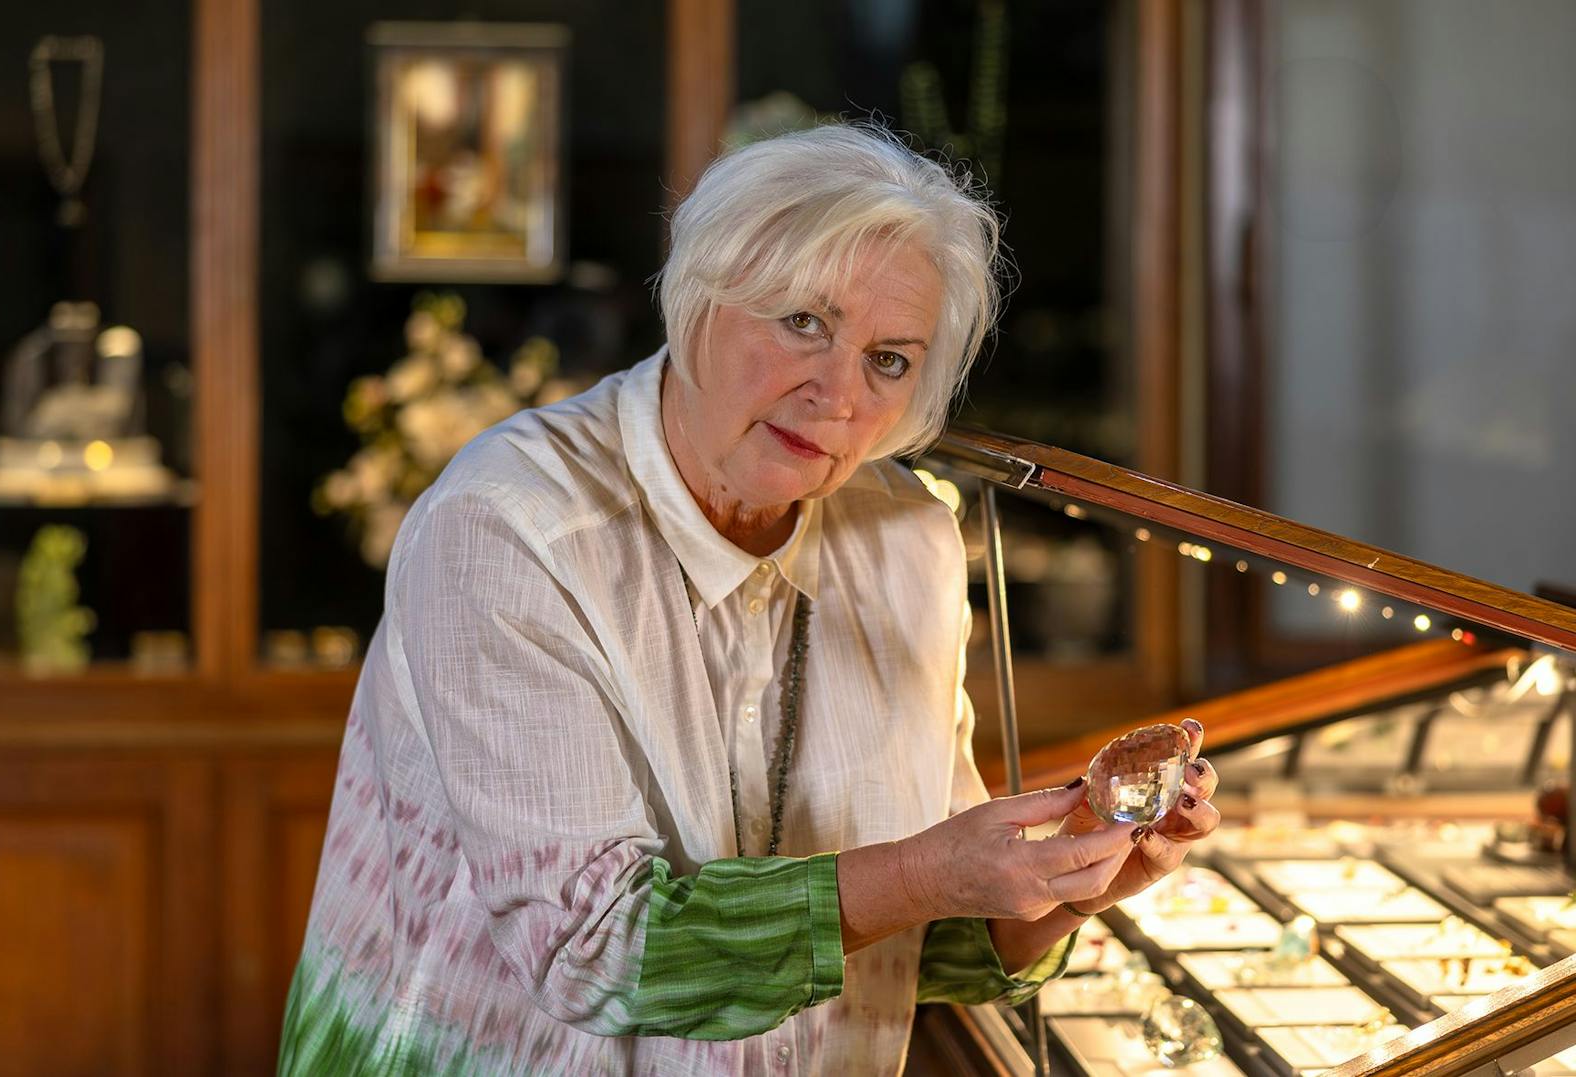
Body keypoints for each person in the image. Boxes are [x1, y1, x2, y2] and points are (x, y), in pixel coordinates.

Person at [279, 123, 1220, 1075]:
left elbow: (910, 933)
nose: (838, 394)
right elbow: (590, 950)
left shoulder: (909, 541)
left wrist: (1068, 884)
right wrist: (931, 870)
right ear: (698, 299)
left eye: (889, 359)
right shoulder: (510, 528)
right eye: (803, 322)